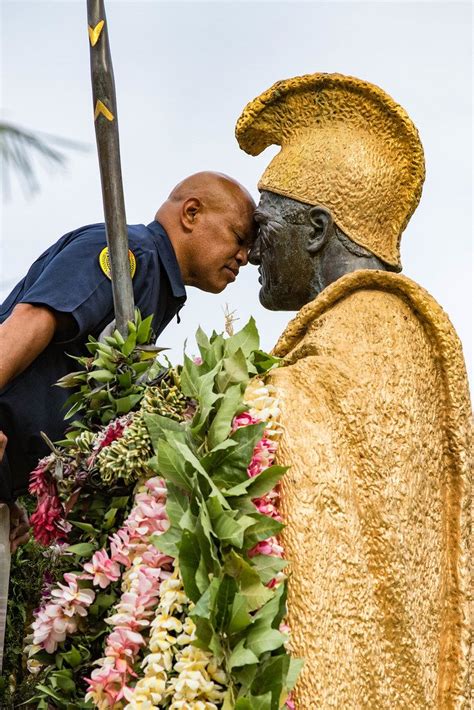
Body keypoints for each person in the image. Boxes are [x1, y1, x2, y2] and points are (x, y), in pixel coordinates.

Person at [236, 74, 471, 707]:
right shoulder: (350, 328)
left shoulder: (378, 322)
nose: (252, 250)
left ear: (314, 229)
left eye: (266, 226)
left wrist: (169, 418)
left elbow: (273, 425)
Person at [0, 171, 256, 550]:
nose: (244, 257)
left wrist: (8, 496)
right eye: (238, 238)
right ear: (191, 212)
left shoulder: (155, 290)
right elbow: (30, 322)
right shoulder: (129, 255)